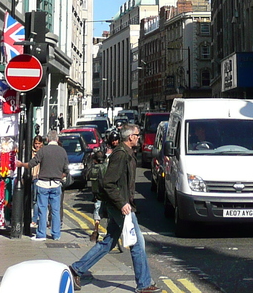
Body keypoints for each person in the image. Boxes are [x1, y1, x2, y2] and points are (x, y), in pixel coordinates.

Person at [69, 124, 159, 293]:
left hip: (122, 205)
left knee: (109, 242)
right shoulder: (120, 155)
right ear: (130, 137)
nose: (139, 137)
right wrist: (122, 203)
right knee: (138, 243)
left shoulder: (127, 153)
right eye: (137, 135)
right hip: (121, 207)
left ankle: (76, 270)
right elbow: (108, 183)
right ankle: (144, 284)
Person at [30, 130, 69, 241]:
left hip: (43, 183)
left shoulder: (43, 151)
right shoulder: (62, 151)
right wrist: (60, 176)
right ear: (57, 139)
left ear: (47, 139)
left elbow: (33, 162)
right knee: (55, 210)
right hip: (56, 184)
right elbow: (66, 169)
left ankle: (41, 234)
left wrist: (23, 164)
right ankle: (56, 234)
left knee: (43, 209)